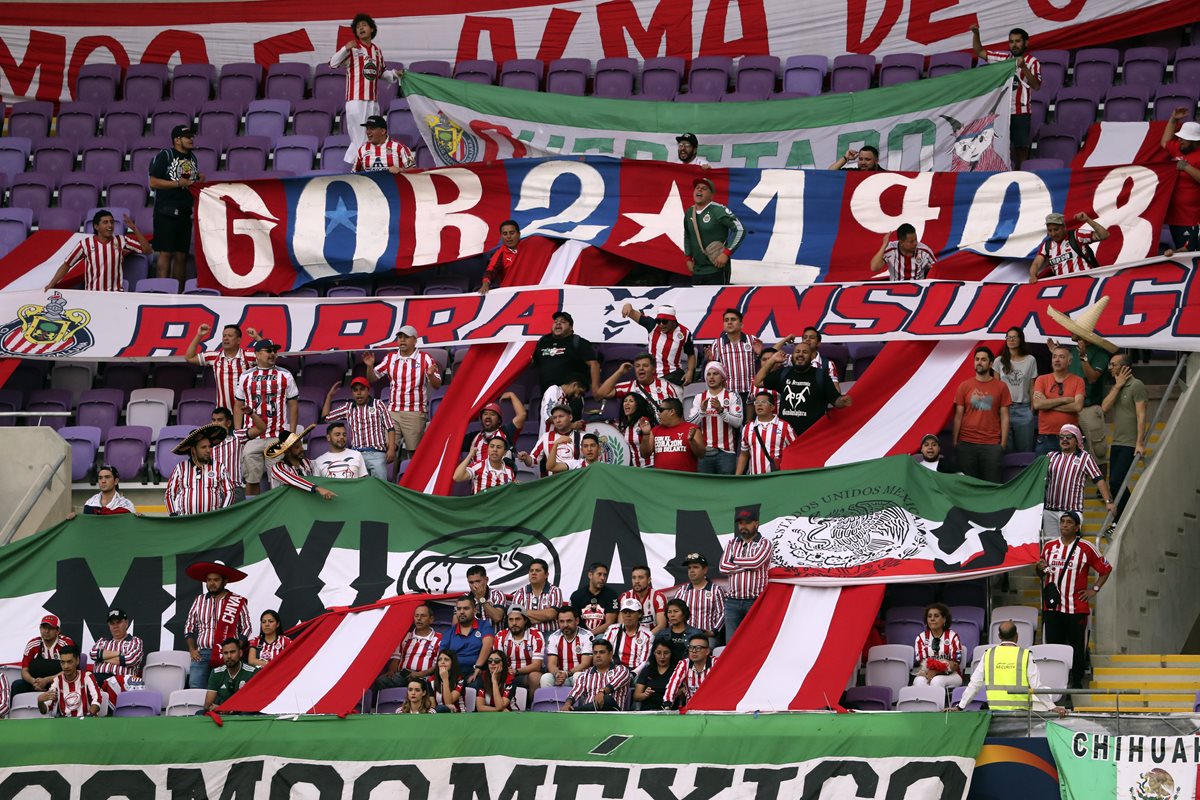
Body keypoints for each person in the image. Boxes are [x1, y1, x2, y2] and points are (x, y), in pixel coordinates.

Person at [1037, 511, 1112, 690]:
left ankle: (1077, 680)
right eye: (1062, 522)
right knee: (1053, 646)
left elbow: (1106, 569)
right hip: (1052, 607)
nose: (1064, 525)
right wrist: (1039, 567)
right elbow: (1040, 573)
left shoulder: (1086, 547)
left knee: (1077, 646)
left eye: (1069, 522)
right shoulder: (1049, 547)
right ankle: (1054, 680)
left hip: (1076, 607)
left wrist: (1094, 589)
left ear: (1077, 527)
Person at [1047, 300, 1118, 467]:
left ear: (1083, 336)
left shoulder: (1100, 354)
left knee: (1097, 450)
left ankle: (1102, 490)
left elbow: (1093, 377)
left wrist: (1083, 357)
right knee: (1071, 450)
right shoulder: (1072, 351)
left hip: (1089, 408)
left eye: (1074, 331)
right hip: (1071, 407)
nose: (1070, 332)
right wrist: (1057, 354)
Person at [365, 325, 442, 463]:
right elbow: (372, 379)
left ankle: (411, 482)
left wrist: (430, 375)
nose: (402, 340)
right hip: (392, 411)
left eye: (406, 337)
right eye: (400, 337)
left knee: (413, 453)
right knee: (388, 448)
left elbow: (437, 385)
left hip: (414, 412)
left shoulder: (425, 358)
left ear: (415, 340)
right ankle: (391, 481)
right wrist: (370, 366)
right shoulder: (390, 358)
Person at [329, 13, 401, 163]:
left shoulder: (377, 51)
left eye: (364, 25)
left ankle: (356, 165)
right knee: (361, 137)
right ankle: (362, 169)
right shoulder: (352, 49)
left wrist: (395, 74)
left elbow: (381, 73)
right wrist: (344, 48)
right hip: (356, 101)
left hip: (373, 102)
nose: (361, 28)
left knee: (372, 137)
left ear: (372, 29)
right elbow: (333, 63)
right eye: (358, 26)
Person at [952, 621, 1065, 715]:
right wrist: (1051, 707)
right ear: (1017, 636)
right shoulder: (1025, 655)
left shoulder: (988, 654)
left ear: (999, 636)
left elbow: (975, 683)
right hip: (1022, 715)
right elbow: (1036, 685)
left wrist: (960, 706)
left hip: (995, 713)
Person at [234, 338, 299, 496]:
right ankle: (253, 510)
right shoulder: (245, 376)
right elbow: (238, 404)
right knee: (251, 478)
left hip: (276, 436)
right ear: (257, 354)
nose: (272, 354)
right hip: (253, 436)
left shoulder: (285, 374)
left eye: (274, 351)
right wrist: (238, 432)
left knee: (277, 479)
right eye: (268, 351)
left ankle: (276, 513)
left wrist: (291, 434)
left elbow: (293, 405)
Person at [970, 25, 1041, 166]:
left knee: (1021, 148)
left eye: (1018, 41)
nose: (1014, 45)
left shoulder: (1033, 62)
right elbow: (979, 51)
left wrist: (1024, 68)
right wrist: (976, 33)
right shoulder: (1002, 58)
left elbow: (1036, 86)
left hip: (1021, 112)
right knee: (1000, 146)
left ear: (1026, 43)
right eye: (1011, 41)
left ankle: (1021, 176)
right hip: (1001, 111)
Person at [183, 559, 253, 690]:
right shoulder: (199, 600)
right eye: (209, 580)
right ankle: (199, 711)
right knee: (195, 687)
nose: (211, 583)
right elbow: (189, 626)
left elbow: (247, 627)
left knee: (224, 689)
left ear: (225, 581)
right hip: (202, 654)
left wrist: (237, 648)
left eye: (216, 580)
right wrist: (192, 649)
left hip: (226, 654)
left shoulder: (236, 601)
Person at [754, 342, 850, 437]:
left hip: (812, 435)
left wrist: (842, 401)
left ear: (811, 356)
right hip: (786, 435)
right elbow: (758, 382)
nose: (800, 354)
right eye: (797, 352)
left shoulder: (821, 375)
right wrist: (772, 360)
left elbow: (835, 400)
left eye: (804, 352)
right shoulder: (784, 373)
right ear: (792, 355)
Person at [43, 209, 150, 292]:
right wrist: (52, 284)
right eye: (105, 222)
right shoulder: (85, 244)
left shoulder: (121, 240)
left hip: (116, 295)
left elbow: (147, 250)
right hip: (93, 295)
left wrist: (134, 229)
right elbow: (67, 264)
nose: (110, 225)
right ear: (96, 226)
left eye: (112, 222)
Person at [148, 125, 202, 283]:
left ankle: (179, 294)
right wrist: (178, 183)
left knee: (181, 255)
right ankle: (162, 292)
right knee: (166, 253)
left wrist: (198, 178)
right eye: (187, 137)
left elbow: (188, 180)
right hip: (166, 211)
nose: (191, 139)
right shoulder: (166, 155)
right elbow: (153, 181)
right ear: (177, 140)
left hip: (185, 212)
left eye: (192, 136)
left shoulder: (193, 158)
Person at [952, 347, 1011, 483]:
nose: (979, 362)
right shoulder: (964, 386)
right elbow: (958, 416)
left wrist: (1002, 444)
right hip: (966, 443)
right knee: (968, 485)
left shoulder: (1001, 387)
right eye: (977, 359)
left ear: (990, 364)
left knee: (991, 485)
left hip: (991, 444)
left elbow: (1005, 417)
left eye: (983, 359)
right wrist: (955, 443)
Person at [1043, 424, 1114, 539]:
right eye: (1061, 437)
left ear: (1077, 440)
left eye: (1069, 437)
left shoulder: (1085, 458)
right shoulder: (1051, 456)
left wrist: (1108, 501)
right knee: (1052, 548)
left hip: (1072, 512)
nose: (1064, 440)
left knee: (1070, 547)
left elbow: (1099, 480)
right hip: (1050, 511)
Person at [1100, 353, 1147, 523]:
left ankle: (1122, 519)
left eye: (1113, 365)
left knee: (1117, 480)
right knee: (1114, 484)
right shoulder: (1116, 387)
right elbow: (1104, 408)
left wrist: (1139, 442)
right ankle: (1124, 518)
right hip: (1117, 442)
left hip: (1130, 443)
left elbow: (1142, 416)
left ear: (1124, 367)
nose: (1110, 368)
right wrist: (1118, 386)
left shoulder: (1136, 385)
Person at [322, 376, 396, 480]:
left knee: (380, 487)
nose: (359, 392)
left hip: (377, 454)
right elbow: (326, 418)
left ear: (368, 391)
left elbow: (390, 427)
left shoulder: (378, 404)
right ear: (352, 393)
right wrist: (329, 396)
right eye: (355, 390)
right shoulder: (348, 407)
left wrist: (391, 448)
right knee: (359, 488)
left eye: (362, 389)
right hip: (356, 455)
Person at [720, 506, 771, 641]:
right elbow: (723, 567)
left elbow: (755, 562)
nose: (743, 526)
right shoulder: (732, 543)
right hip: (732, 602)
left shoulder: (765, 543)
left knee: (755, 640)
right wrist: (746, 566)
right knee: (731, 643)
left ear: (756, 523)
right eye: (741, 523)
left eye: (747, 523)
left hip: (755, 601)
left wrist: (734, 560)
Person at [683, 177, 745, 285]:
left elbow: (740, 229)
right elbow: (687, 235)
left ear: (711, 195)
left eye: (704, 188)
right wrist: (688, 258)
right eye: (697, 188)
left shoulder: (718, 210)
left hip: (717, 269)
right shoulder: (689, 212)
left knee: (717, 301)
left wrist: (726, 253)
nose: (699, 190)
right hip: (697, 270)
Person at [532, 311, 601, 405]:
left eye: (563, 322)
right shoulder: (543, 341)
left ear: (571, 327)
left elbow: (594, 364)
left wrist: (595, 388)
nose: (558, 324)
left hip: (571, 397)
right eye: (556, 321)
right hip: (546, 396)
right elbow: (533, 361)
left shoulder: (577, 342)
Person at [165, 423, 236, 515]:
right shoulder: (180, 468)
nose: (208, 450)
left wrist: (221, 514)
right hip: (185, 521)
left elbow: (230, 492)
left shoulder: (220, 467)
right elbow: (169, 494)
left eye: (209, 446)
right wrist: (173, 514)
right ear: (193, 450)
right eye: (203, 447)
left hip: (211, 521)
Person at [186, 324, 260, 410]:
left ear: (238, 340)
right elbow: (189, 357)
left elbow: (270, 357)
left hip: (246, 411)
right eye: (224, 336)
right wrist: (199, 335)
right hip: (224, 413)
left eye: (230, 336)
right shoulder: (213, 356)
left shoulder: (248, 356)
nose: (225, 338)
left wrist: (257, 337)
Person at [688, 362, 743, 474]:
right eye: (708, 374)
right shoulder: (699, 397)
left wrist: (721, 411)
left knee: (726, 487)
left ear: (722, 377)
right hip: (705, 452)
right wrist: (702, 411)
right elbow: (690, 423)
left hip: (726, 452)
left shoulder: (732, 396)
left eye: (715, 374)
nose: (711, 377)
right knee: (705, 488)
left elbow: (738, 422)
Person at [621, 304, 696, 385]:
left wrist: (690, 372)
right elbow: (632, 312)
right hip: (651, 376)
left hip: (673, 376)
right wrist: (628, 306)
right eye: (658, 321)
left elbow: (691, 354)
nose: (661, 324)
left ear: (673, 321)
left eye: (664, 321)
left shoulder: (684, 333)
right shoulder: (652, 325)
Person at [1031, 345, 1085, 455]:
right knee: (1044, 471)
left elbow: (1077, 407)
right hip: (1046, 436)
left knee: (1069, 471)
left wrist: (1047, 403)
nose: (1057, 360)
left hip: (1070, 437)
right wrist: (1065, 400)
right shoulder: (1041, 379)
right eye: (1054, 356)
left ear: (1069, 361)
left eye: (1061, 357)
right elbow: (1037, 404)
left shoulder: (1078, 381)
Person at [1160, 108, 1200, 251]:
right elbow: (1165, 142)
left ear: (1194, 141)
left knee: (1189, 255)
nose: (1179, 140)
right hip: (1175, 216)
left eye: (1183, 138)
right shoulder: (1180, 148)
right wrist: (1173, 120)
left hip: (1192, 218)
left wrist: (1186, 167)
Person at [1029, 212, 1109, 283]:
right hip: (1064, 286)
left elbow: (1104, 235)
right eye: (1050, 230)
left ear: (1064, 227)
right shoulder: (1046, 245)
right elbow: (1036, 263)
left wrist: (1087, 220)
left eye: (1056, 229)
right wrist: (1033, 275)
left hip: (1086, 280)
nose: (1053, 234)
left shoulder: (1076, 235)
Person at [706, 308, 762, 407]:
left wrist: (760, 354)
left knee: (749, 421)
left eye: (733, 319)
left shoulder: (752, 340)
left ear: (741, 325)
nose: (729, 322)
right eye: (726, 320)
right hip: (728, 393)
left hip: (750, 392)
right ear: (723, 325)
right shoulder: (717, 344)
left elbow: (763, 363)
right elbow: (715, 370)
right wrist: (710, 361)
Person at [378, 603, 441, 689]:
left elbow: (438, 664)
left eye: (423, 616)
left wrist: (421, 674)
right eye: (416, 616)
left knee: (432, 684)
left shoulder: (439, 638)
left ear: (431, 619)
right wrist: (391, 671)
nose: (419, 618)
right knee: (382, 680)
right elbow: (397, 656)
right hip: (403, 675)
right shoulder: (405, 636)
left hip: (424, 677)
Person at [267, 424, 338, 499]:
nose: (302, 449)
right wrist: (317, 488)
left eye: (301, 445)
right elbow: (294, 481)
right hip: (283, 504)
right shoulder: (278, 468)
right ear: (287, 451)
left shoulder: (307, 462)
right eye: (297, 447)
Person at [561, 639, 631, 712]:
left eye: (602, 652)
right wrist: (567, 704)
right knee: (567, 708)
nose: (598, 655)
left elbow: (614, 684)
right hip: (589, 716)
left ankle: (578, 710)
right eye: (595, 653)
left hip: (613, 715)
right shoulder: (585, 675)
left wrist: (602, 692)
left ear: (610, 654)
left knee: (606, 699)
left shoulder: (621, 670)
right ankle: (580, 710)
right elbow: (575, 692)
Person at [998, 327, 1038, 453]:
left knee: (1025, 450)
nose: (1011, 340)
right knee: (1006, 449)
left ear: (1020, 339)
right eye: (1008, 337)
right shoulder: (999, 361)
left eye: (1014, 337)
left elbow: (1032, 386)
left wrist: (1032, 409)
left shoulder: (1030, 360)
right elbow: (995, 388)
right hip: (1004, 409)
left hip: (1024, 409)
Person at [736, 390, 796, 475]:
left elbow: (795, 450)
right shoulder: (748, 428)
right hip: (755, 479)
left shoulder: (785, 427)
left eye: (764, 402)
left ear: (772, 407)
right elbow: (744, 454)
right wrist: (737, 476)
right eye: (756, 402)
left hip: (778, 477)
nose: (759, 404)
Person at [13, 614, 74, 696]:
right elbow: (24, 670)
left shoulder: (66, 644)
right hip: (36, 683)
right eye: (44, 627)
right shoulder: (33, 644)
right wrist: (33, 681)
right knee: (17, 685)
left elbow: (71, 669)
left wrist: (46, 680)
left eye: (51, 628)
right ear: (40, 629)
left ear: (58, 631)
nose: (46, 631)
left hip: (61, 682)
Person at [671, 553, 726, 642]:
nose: (691, 571)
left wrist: (713, 632)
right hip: (685, 636)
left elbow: (722, 613)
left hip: (707, 637)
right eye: (689, 568)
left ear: (705, 570)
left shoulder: (716, 590)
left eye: (695, 567)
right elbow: (673, 611)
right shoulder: (682, 590)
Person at [640, 397, 705, 472]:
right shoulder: (655, 430)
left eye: (661, 410)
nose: (658, 413)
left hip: (686, 480)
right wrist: (645, 435)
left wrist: (692, 441)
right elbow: (645, 455)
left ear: (672, 411)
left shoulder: (692, 429)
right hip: (662, 479)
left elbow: (701, 454)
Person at [441, 595, 495, 683]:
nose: (461, 612)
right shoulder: (450, 632)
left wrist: (478, 667)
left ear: (474, 610)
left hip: (478, 671)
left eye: (466, 608)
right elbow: (442, 654)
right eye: (459, 609)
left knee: (475, 685)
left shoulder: (484, 625)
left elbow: (488, 646)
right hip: (454, 672)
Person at [597, 353, 680, 410]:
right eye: (637, 366)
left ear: (653, 369)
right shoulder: (628, 387)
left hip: (659, 432)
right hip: (636, 434)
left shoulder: (666, 386)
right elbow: (601, 393)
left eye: (645, 365)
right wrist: (619, 372)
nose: (641, 368)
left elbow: (677, 412)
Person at [911, 603, 963, 691]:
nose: (932, 619)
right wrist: (925, 672)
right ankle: (924, 704)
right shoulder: (921, 637)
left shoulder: (953, 636)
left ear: (944, 619)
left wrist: (937, 671)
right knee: (919, 681)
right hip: (927, 672)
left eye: (936, 616)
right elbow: (922, 662)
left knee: (937, 681)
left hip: (951, 675)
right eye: (929, 616)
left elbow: (955, 664)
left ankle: (937, 705)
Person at [462, 394, 527, 464]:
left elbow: (522, 415)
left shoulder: (506, 431)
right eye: (485, 414)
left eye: (492, 414)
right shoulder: (473, 437)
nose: (488, 416)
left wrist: (512, 395)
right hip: (476, 474)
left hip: (500, 474)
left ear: (499, 420)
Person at [539, 606, 594, 689]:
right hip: (561, 676)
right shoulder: (553, 637)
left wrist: (567, 673)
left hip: (580, 674)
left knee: (578, 676)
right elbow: (551, 663)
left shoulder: (587, 635)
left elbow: (585, 663)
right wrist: (557, 674)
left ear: (577, 621)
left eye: (569, 621)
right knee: (545, 678)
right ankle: (549, 702)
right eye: (562, 621)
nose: (565, 625)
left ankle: (582, 702)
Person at [37, 646, 100, 718]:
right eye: (62, 662)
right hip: (65, 724)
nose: (66, 666)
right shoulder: (57, 680)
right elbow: (45, 710)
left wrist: (89, 716)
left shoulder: (87, 676)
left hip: (86, 721)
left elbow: (97, 699)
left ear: (77, 661)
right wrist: (40, 702)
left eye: (69, 662)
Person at [494, 606, 544, 693]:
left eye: (518, 619)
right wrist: (507, 671)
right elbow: (498, 660)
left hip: (527, 675)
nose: (514, 623)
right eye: (511, 619)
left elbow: (536, 665)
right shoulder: (500, 635)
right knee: (494, 673)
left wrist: (516, 671)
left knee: (535, 676)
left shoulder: (536, 635)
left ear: (525, 620)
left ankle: (532, 705)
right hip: (506, 673)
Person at [520, 404, 582, 476]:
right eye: (554, 418)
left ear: (570, 417)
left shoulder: (581, 437)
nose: (558, 420)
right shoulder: (546, 437)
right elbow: (533, 461)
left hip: (575, 481)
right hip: (553, 483)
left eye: (561, 416)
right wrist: (526, 458)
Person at [89, 608, 144, 686]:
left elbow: (130, 659)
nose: (115, 626)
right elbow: (93, 654)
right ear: (109, 625)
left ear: (126, 623)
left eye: (118, 622)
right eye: (112, 623)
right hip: (98, 679)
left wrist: (102, 657)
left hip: (121, 681)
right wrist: (120, 654)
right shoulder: (102, 641)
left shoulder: (135, 641)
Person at [664, 633, 717, 709]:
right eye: (691, 647)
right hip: (692, 710)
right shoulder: (684, 664)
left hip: (714, 709)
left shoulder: (716, 663)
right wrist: (667, 703)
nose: (694, 651)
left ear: (707, 651)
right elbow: (673, 684)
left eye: (698, 648)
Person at [509, 559, 564, 634]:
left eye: (538, 570)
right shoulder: (520, 592)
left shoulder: (555, 591)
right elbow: (516, 617)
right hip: (526, 634)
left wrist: (524, 612)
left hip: (549, 634)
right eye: (531, 571)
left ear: (546, 575)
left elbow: (550, 615)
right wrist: (543, 616)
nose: (533, 573)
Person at [203, 638, 257, 712]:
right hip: (222, 712)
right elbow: (207, 705)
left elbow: (253, 702)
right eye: (225, 653)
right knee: (200, 713)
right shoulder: (216, 672)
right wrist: (221, 709)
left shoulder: (252, 672)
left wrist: (228, 710)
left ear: (240, 653)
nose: (229, 656)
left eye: (232, 652)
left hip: (243, 713)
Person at [871, 223, 937, 281]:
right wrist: (884, 245)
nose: (915, 243)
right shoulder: (891, 249)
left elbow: (937, 270)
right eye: (911, 242)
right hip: (895, 289)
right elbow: (874, 267)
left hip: (918, 291)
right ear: (901, 242)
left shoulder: (924, 251)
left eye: (916, 239)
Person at [605, 597, 655, 674]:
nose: (628, 615)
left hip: (635, 672)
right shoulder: (612, 629)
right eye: (625, 612)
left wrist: (632, 674)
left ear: (639, 614)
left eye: (631, 612)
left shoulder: (647, 635)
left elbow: (645, 661)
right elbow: (605, 653)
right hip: (613, 670)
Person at [569, 562, 619, 635]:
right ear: (590, 575)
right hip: (580, 635)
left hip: (603, 636)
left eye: (605, 575)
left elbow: (610, 623)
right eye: (599, 574)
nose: (602, 578)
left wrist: (589, 635)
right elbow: (572, 620)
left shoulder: (611, 595)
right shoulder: (577, 595)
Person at [71, 464, 136, 515]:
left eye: (107, 477)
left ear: (116, 481)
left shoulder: (126, 505)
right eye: (100, 478)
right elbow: (86, 526)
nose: (103, 481)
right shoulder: (90, 503)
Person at [633, 641, 677, 711]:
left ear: (671, 653)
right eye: (659, 653)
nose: (662, 657)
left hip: (669, 711)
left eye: (666, 653)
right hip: (648, 711)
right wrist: (645, 694)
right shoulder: (647, 670)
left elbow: (682, 692)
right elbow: (636, 696)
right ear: (654, 653)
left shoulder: (677, 670)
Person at [480, 220, 520, 294]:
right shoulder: (500, 254)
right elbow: (491, 270)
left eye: (512, 233)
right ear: (501, 237)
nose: (508, 236)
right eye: (505, 234)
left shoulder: (528, 247)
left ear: (519, 234)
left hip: (530, 287)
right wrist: (485, 283)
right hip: (510, 291)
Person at [617, 393, 656, 468]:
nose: (627, 403)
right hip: (637, 468)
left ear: (637, 405)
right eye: (625, 401)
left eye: (631, 401)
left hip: (651, 466)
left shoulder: (644, 422)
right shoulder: (628, 426)